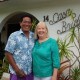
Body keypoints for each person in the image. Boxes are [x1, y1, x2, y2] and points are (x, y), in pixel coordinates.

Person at [5, 14, 34, 80]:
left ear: (31, 24)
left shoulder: (33, 36)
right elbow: (8, 53)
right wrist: (17, 70)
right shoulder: (14, 36)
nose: (27, 24)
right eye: (24, 22)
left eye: (29, 22)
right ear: (20, 23)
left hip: (30, 73)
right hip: (17, 74)